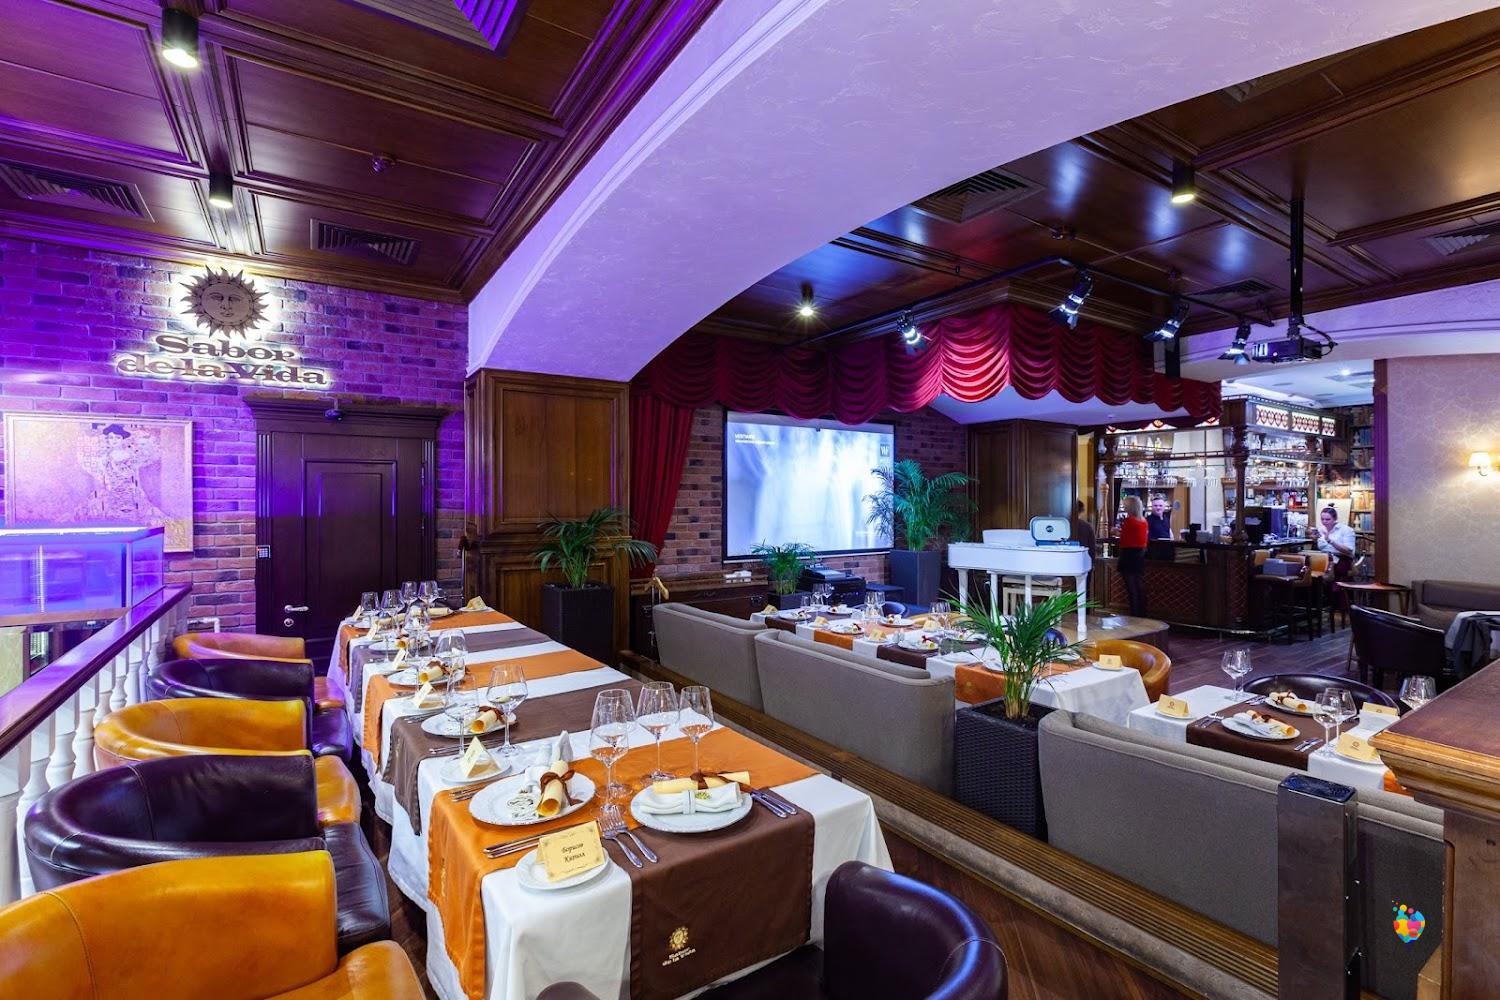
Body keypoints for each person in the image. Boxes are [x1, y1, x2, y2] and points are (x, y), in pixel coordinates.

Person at [1316, 505, 1357, 607]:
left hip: (1342, 558)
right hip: (1325, 559)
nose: (1324, 522)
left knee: (1336, 572)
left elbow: (1348, 550)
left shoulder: (1346, 530)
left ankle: (1337, 604)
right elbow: (1321, 547)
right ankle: (1319, 604)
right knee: (1309, 571)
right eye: (1322, 519)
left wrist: (1330, 540)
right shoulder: (1321, 530)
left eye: (1328, 519)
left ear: (1335, 519)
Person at [1117, 496, 1149, 617]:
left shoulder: (1129, 521)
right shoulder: (1144, 521)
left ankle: (1135, 615)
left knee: (1131, 589)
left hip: (1128, 556)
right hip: (1139, 556)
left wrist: (1116, 532)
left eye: (1125, 505)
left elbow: (1124, 540)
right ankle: (1142, 613)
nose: (1124, 507)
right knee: (1139, 587)